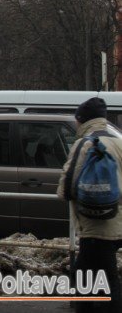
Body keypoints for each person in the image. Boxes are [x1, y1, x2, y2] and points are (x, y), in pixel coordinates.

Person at [57, 97, 122, 312]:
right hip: (115, 220)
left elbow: (65, 188)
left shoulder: (83, 144)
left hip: (92, 225)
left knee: (93, 277)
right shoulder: (119, 143)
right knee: (96, 274)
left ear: (82, 120)